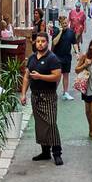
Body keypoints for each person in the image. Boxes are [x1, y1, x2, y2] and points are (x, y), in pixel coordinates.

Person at [21, 32, 63, 165]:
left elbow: (57, 76)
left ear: (47, 42)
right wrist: (23, 94)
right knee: (40, 126)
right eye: (38, 41)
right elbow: (27, 76)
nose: (40, 44)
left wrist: (40, 76)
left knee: (51, 124)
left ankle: (57, 152)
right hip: (35, 96)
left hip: (48, 96)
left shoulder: (52, 58)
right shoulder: (32, 58)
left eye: (43, 41)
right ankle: (45, 152)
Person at [51, 18, 76, 98]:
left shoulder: (71, 32)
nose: (65, 25)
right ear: (60, 24)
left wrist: (77, 52)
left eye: (66, 23)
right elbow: (54, 42)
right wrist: (61, 32)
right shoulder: (56, 31)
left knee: (66, 74)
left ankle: (65, 92)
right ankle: (53, 92)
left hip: (67, 57)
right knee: (58, 75)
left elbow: (74, 43)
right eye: (63, 23)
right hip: (57, 57)